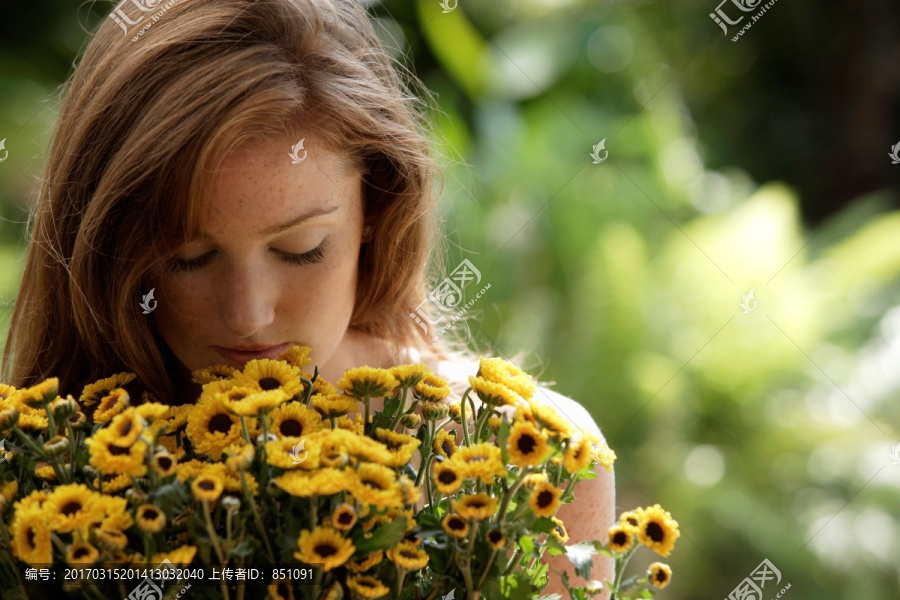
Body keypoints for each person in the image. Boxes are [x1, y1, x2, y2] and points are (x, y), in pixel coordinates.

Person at [0, 0, 614, 596]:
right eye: (186, 257)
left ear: (378, 208)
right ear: (106, 249)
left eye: (300, 248)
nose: (248, 314)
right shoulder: (40, 477)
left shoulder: (530, 462)